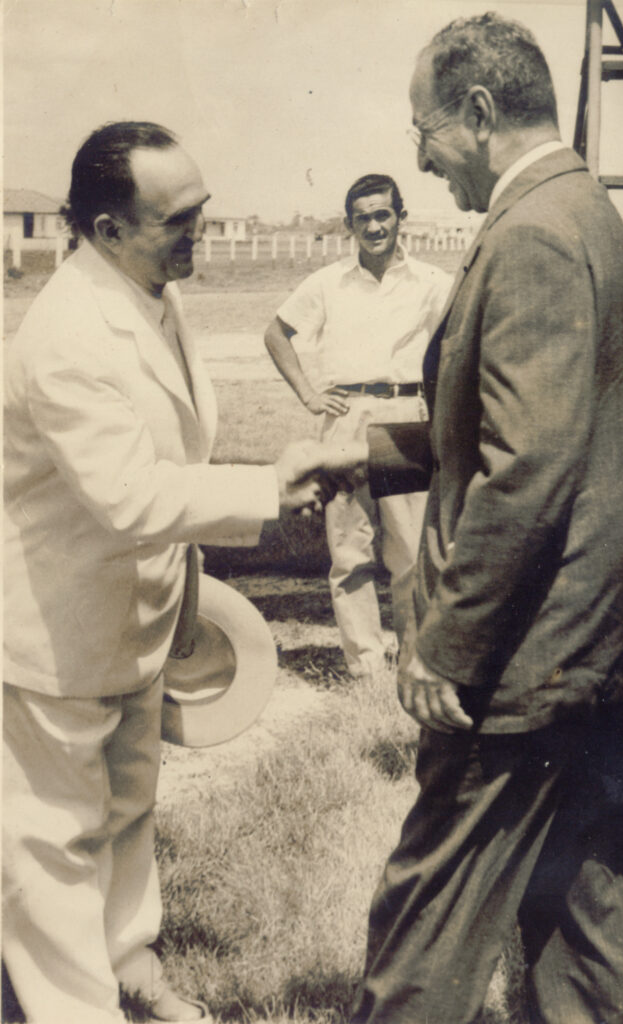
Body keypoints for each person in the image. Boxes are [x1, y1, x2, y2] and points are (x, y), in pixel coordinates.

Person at [339, 14, 623, 1024]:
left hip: (518, 667)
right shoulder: (585, 213)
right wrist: (360, 451)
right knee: (585, 935)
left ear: (477, 112)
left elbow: (525, 472)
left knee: (424, 928)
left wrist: (447, 646)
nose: (419, 160)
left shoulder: (529, 238)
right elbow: (539, 429)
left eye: (423, 131)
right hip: (590, 649)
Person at [3, 121, 334, 1024]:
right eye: (178, 220)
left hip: (135, 613)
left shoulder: (152, 290)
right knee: (53, 837)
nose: (202, 233)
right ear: (107, 229)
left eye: (203, 210)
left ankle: (129, 968)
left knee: (126, 805)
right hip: (56, 625)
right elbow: (128, 495)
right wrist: (269, 488)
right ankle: (74, 1009)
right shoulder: (68, 333)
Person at [264, 174, 451, 679]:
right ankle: (365, 666)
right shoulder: (328, 282)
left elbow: (456, 343)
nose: (373, 227)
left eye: (382, 215)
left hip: (405, 417)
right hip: (345, 421)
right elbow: (276, 333)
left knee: (410, 552)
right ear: (350, 224)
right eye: (362, 218)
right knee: (350, 551)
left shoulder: (432, 282)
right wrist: (309, 394)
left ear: (400, 217)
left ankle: (414, 661)